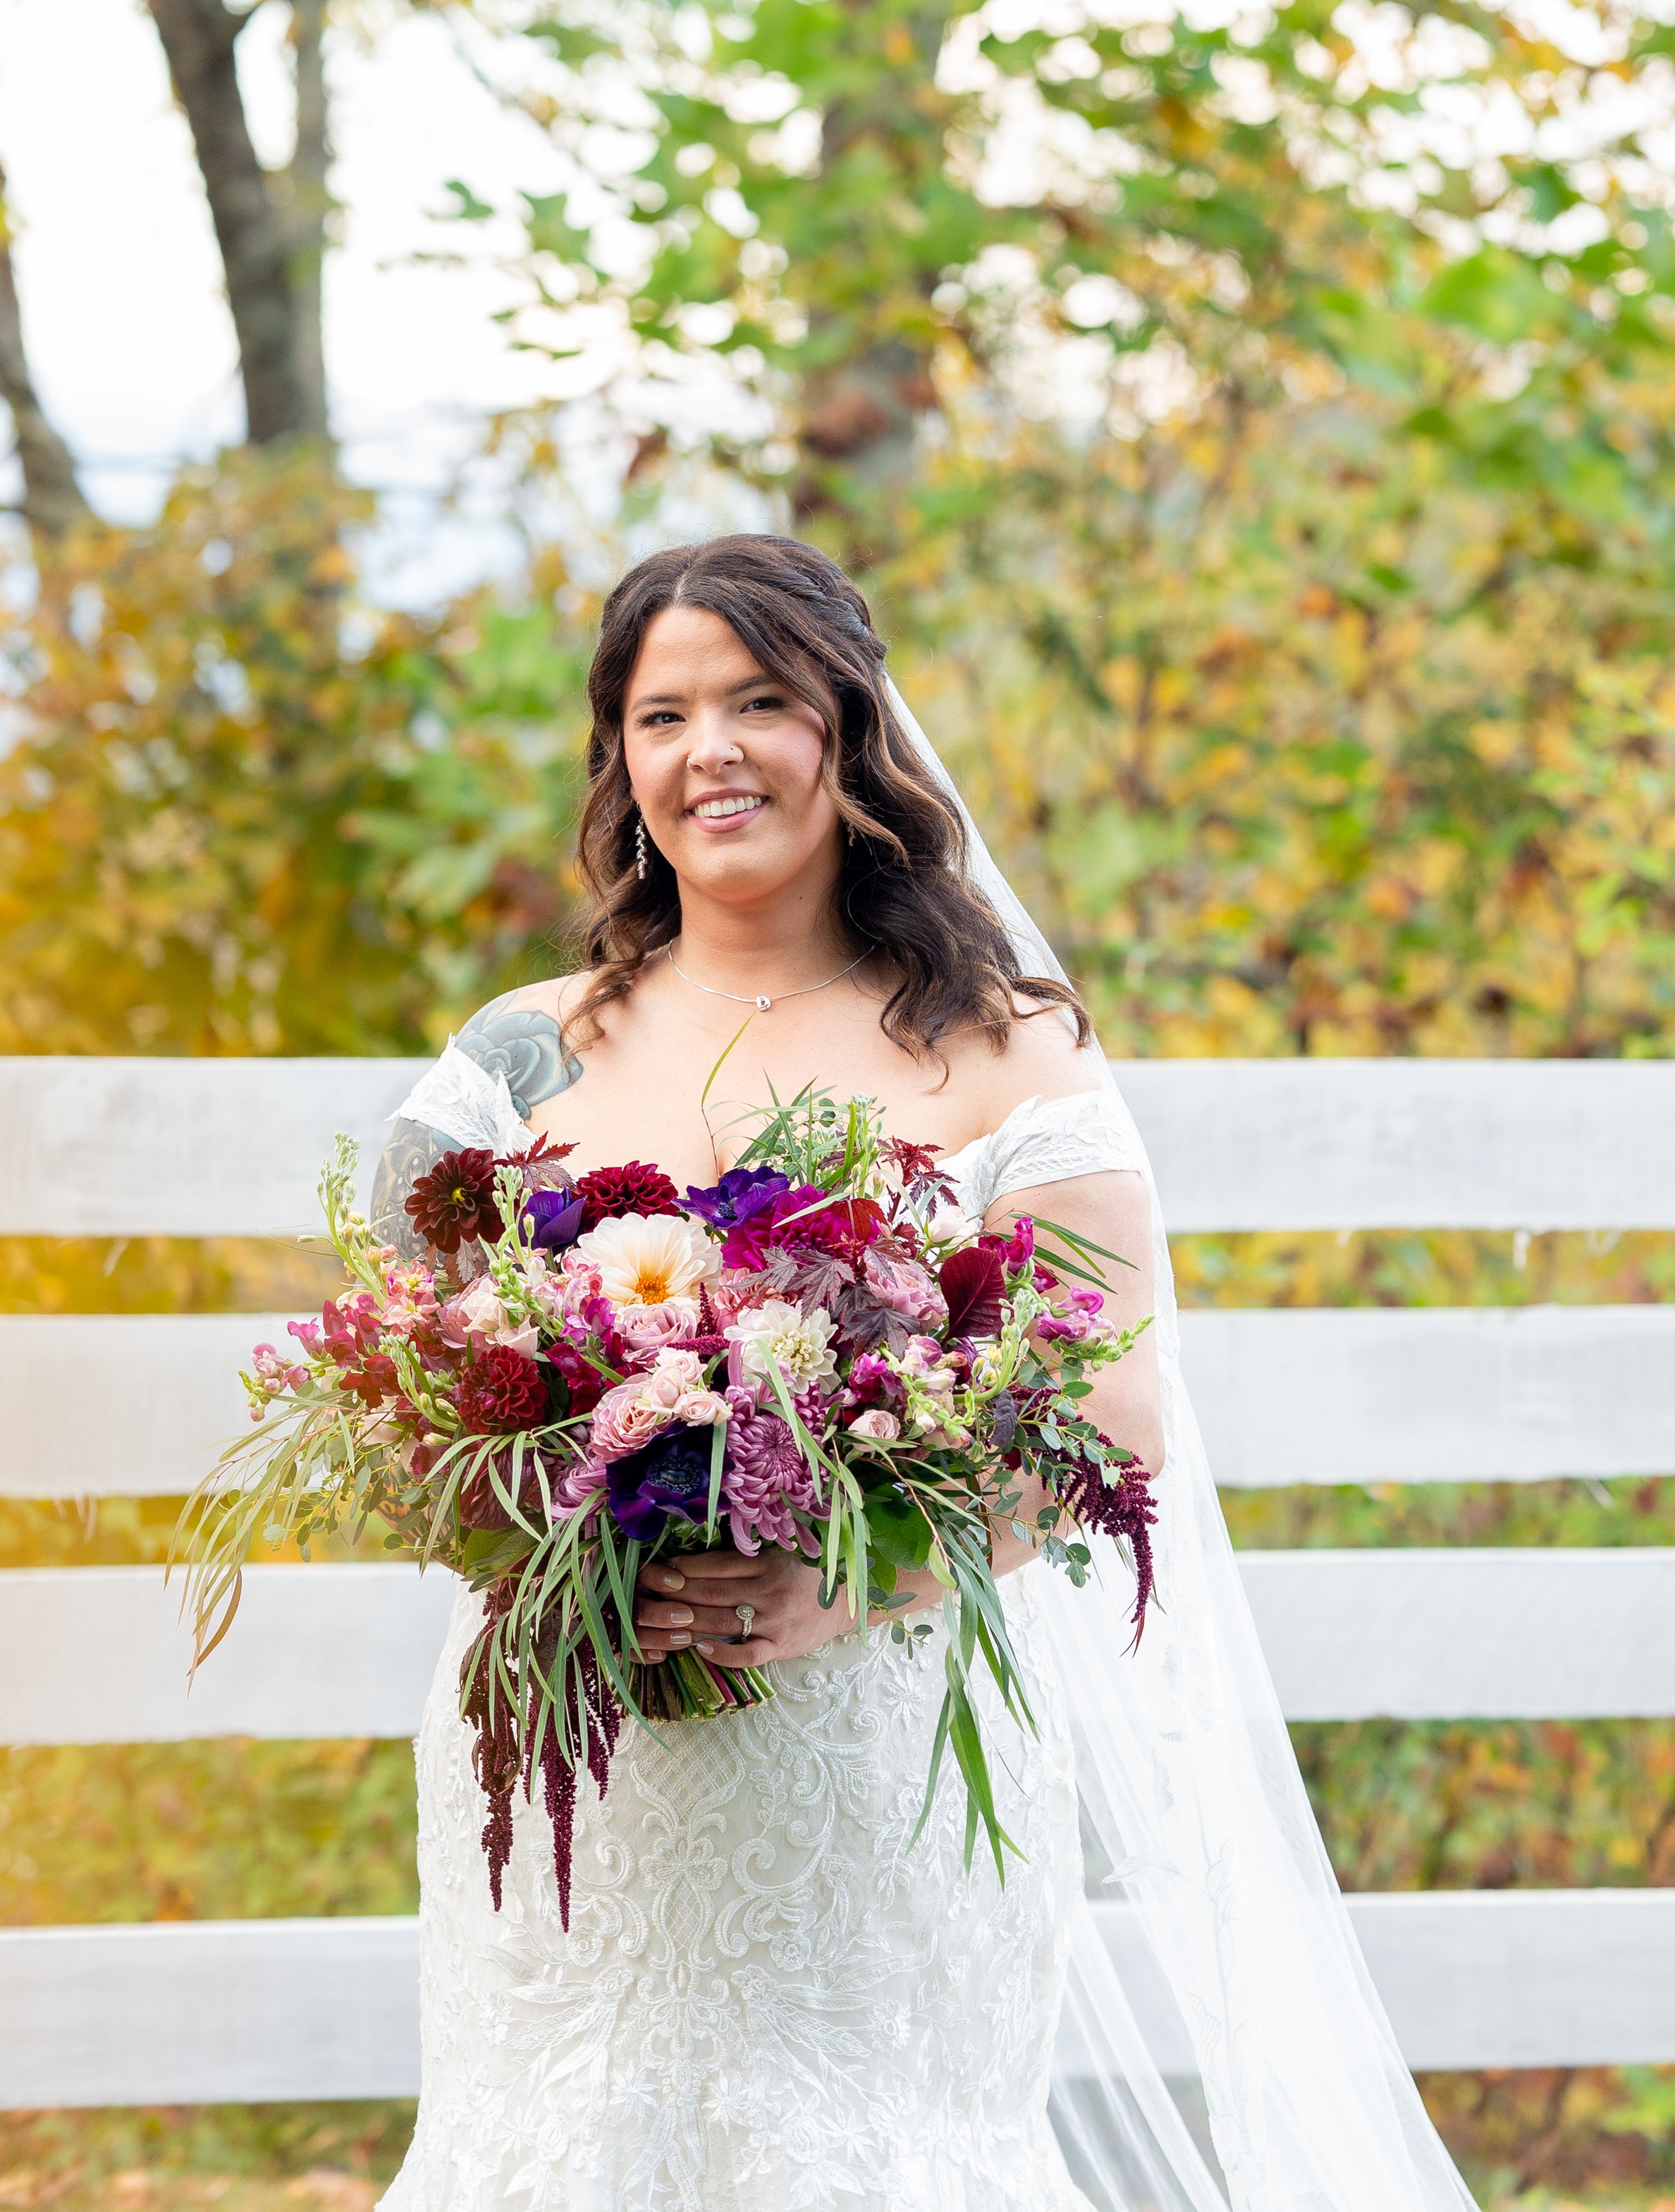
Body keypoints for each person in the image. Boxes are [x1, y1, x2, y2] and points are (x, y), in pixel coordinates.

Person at [373, 534, 1480, 2212]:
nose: (708, 751)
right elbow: (401, 1406)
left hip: (873, 1759)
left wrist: (835, 1583)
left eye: (757, 699)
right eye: (660, 714)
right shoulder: (513, 1055)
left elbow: (1107, 1418)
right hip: (577, 1757)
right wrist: (565, 1519)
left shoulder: (999, 1044)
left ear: (850, 726)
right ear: (620, 759)